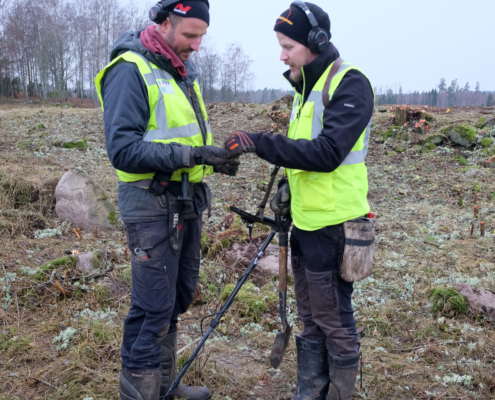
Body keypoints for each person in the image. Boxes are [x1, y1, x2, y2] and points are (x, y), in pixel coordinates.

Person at [224, 2, 374, 399]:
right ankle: (310, 392)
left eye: (288, 45)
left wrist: (260, 143)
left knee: (333, 318)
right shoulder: (305, 90)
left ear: (316, 42)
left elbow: (326, 152)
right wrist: (288, 190)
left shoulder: (349, 83)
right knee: (309, 316)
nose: (282, 54)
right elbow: (302, 155)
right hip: (306, 223)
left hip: (335, 225)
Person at [95, 1, 238, 399]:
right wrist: (190, 156)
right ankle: (141, 394)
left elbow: (179, 136)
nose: (196, 45)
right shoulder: (129, 69)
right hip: (150, 205)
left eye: (201, 36)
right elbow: (123, 149)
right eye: (189, 35)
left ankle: (164, 387)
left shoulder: (178, 71)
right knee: (151, 309)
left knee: (175, 300)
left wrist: (211, 159)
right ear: (162, 21)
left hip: (185, 202)